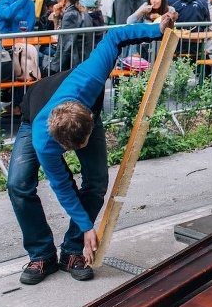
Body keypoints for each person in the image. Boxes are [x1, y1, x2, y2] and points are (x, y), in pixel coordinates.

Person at [9, 17, 175, 285]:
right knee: (18, 184)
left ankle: (73, 251)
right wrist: (88, 226)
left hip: (79, 110)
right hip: (34, 116)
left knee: (97, 181)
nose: (83, 148)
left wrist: (155, 30)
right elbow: (62, 186)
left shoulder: (91, 77)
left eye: (84, 141)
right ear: (62, 145)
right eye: (76, 147)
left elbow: (115, 36)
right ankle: (42, 254)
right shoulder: (44, 140)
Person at [43, 0, 95, 75]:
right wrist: (57, 17)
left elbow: (65, 45)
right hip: (84, 62)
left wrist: (52, 68)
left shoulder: (71, 15)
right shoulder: (83, 13)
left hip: (74, 64)